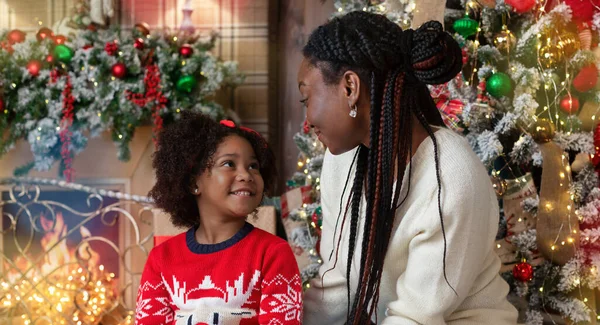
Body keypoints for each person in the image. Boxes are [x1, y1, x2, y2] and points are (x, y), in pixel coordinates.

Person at [298, 11, 518, 325]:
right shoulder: (342, 159)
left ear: (350, 87)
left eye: (306, 98)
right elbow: (338, 286)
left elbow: (418, 316)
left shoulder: (450, 172)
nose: (307, 120)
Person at [136, 112, 302, 325]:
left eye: (253, 166)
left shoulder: (273, 254)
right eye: (229, 164)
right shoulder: (161, 259)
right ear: (193, 183)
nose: (246, 175)